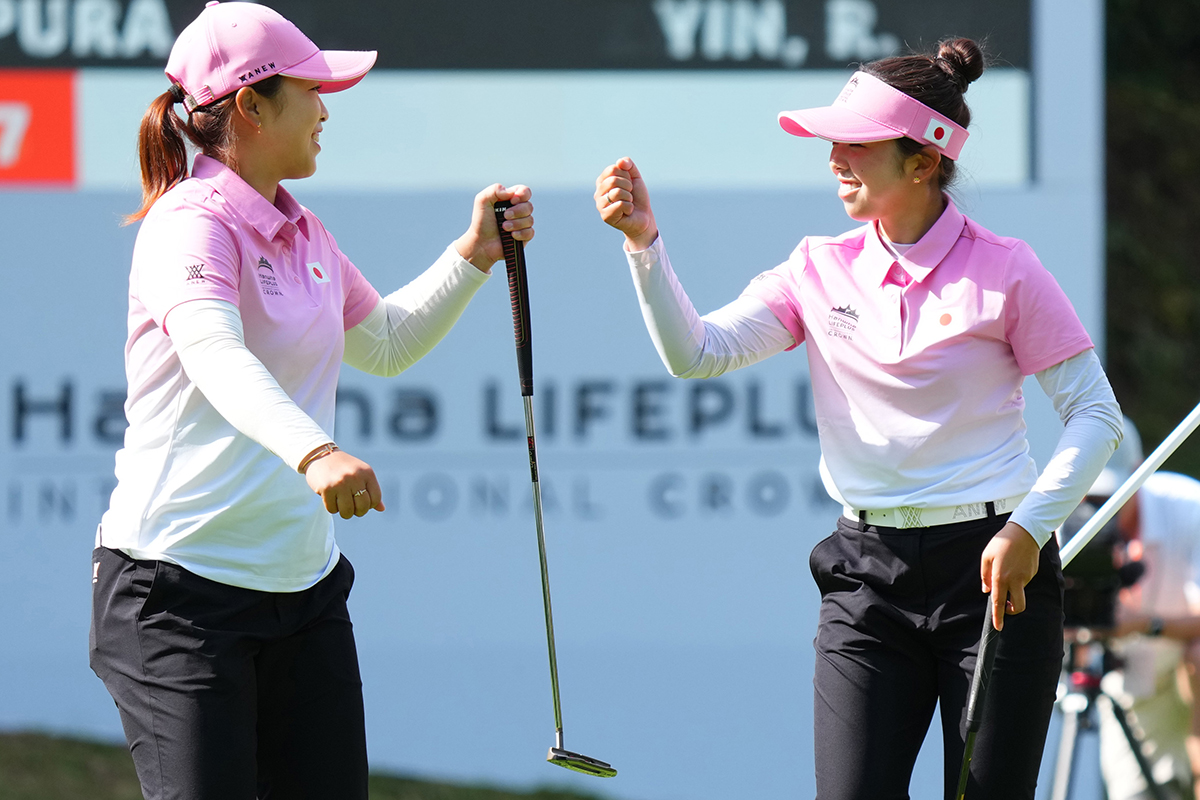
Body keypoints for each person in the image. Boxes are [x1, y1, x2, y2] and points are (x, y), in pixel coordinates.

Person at [594, 38, 1122, 800]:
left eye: (857, 146)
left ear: (924, 160)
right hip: (865, 577)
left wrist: (1028, 529)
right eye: (832, 145)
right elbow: (697, 353)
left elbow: (1094, 415)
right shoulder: (817, 265)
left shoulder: (1007, 268)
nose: (835, 159)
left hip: (994, 571)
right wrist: (645, 245)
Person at [88, 3, 534, 798]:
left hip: (303, 595)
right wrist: (317, 451)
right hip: (177, 597)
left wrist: (473, 255)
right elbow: (214, 354)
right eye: (310, 90)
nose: (326, 109)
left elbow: (387, 343)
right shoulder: (188, 224)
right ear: (252, 106)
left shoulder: (304, 231)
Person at [1087, 421, 1200, 800]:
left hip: (1188, 677)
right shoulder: (1061, 525)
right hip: (1131, 689)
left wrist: (1145, 624)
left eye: (1115, 493)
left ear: (1139, 473)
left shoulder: (1189, 505)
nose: (1103, 508)